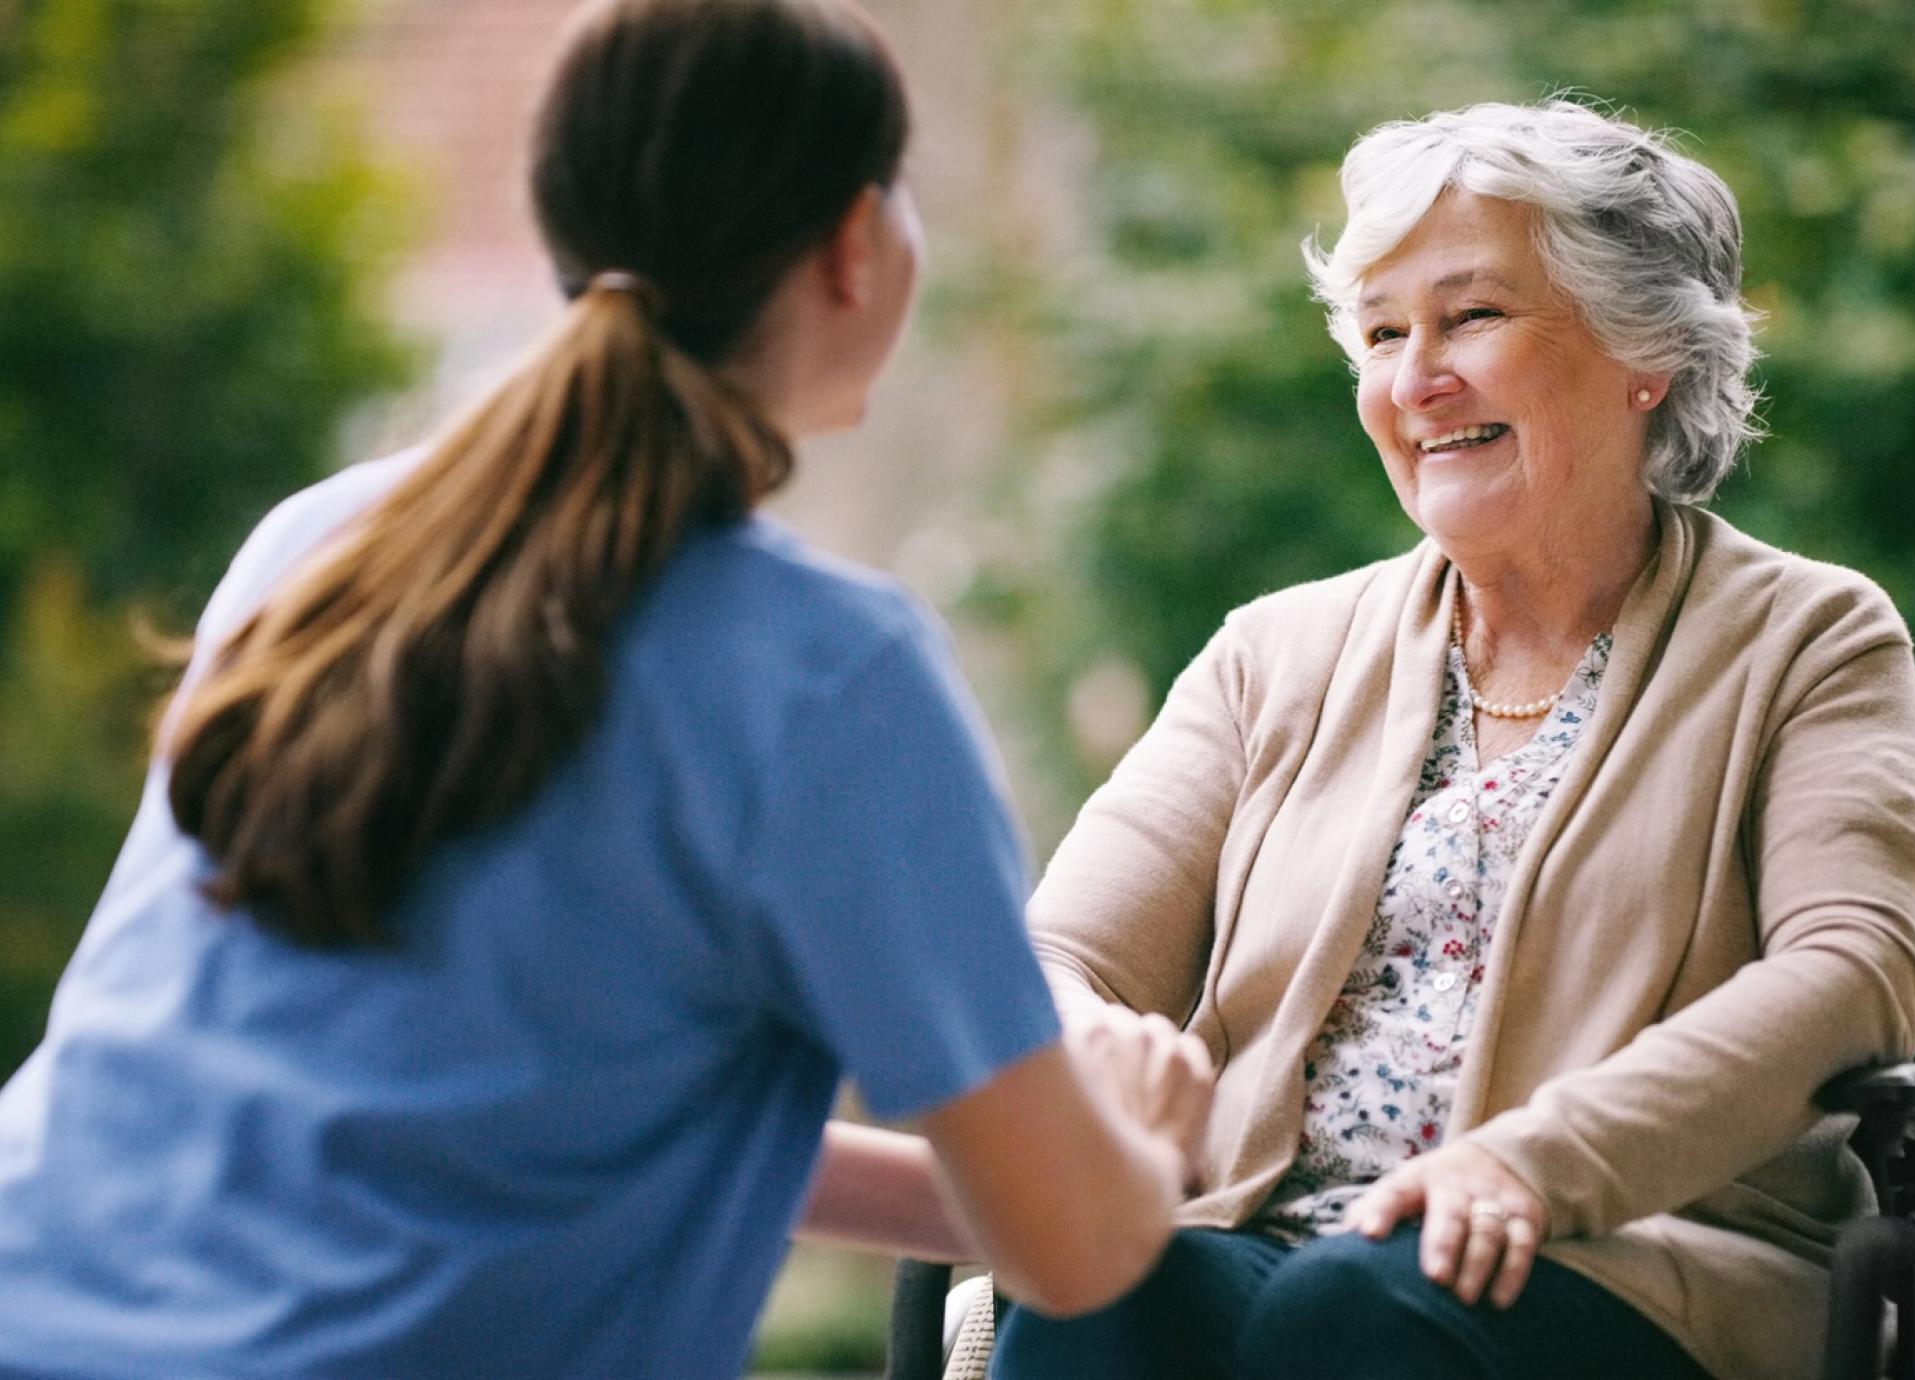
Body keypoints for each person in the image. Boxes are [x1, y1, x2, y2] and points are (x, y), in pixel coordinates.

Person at [0, 2, 1213, 1376]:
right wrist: (1139, 1150)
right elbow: (1075, 1254)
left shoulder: (323, 542)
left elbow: (537, 1117)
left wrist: (998, 1185)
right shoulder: (830, 677)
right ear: (853, 249)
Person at [989, 99, 1915, 1380]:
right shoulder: (1271, 652)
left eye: (1471, 318)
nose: (1413, 380)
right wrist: (1092, 1042)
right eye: (1382, 335)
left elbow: (1854, 969)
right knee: (1099, 1294)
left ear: (1641, 350)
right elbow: (1061, 954)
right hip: (1264, 1236)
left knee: (1353, 1313)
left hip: (1630, 1260)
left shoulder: (1807, 640)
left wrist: (1535, 1162)